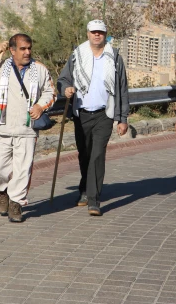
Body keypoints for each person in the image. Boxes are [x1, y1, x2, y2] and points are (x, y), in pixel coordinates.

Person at [0, 34, 56, 223]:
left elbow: (51, 92)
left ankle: (16, 202)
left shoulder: (39, 69)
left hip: (27, 129)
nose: (27, 52)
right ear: (12, 50)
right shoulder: (0, 66)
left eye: (29, 48)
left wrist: (40, 106)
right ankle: (2, 191)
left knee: (22, 169)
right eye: (22, 49)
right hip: (1, 127)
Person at [57, 20, 130, 216]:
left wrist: (122, 118)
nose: (97, 35)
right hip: (81, 114)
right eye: (93, 32)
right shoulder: (77, 55)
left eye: (100, 32)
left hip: (104, 115)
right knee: (85, 155)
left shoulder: (114, 57)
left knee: (97, 155)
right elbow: (63, 79)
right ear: (87, 33)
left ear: (105, 34)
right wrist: (66, 89)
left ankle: (93, 200)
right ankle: (84, 188)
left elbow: (122, 88)